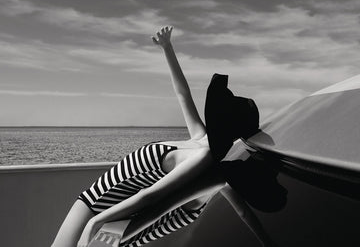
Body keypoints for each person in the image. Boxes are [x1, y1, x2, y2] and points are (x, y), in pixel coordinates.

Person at [51, 26, 265, 247]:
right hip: (107, 212)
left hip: (100, 209)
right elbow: (182, 94)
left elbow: (151, 196)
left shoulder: (205, 155)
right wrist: (167, 47)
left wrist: (95, 222)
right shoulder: (202, 139)